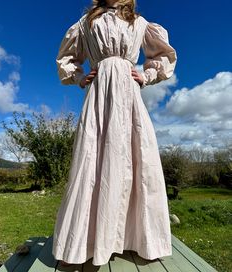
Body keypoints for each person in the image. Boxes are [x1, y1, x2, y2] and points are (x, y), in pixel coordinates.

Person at [52, 0, 177, 267]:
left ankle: (140, 239)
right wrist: (79, 77)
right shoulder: (86, 23)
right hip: (99, 94)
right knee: (93, 159)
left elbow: (163, 56)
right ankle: (83, 244)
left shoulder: (140, 23)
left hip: (128, 93)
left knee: (137, 159)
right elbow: (67, 58)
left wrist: (147, 75)